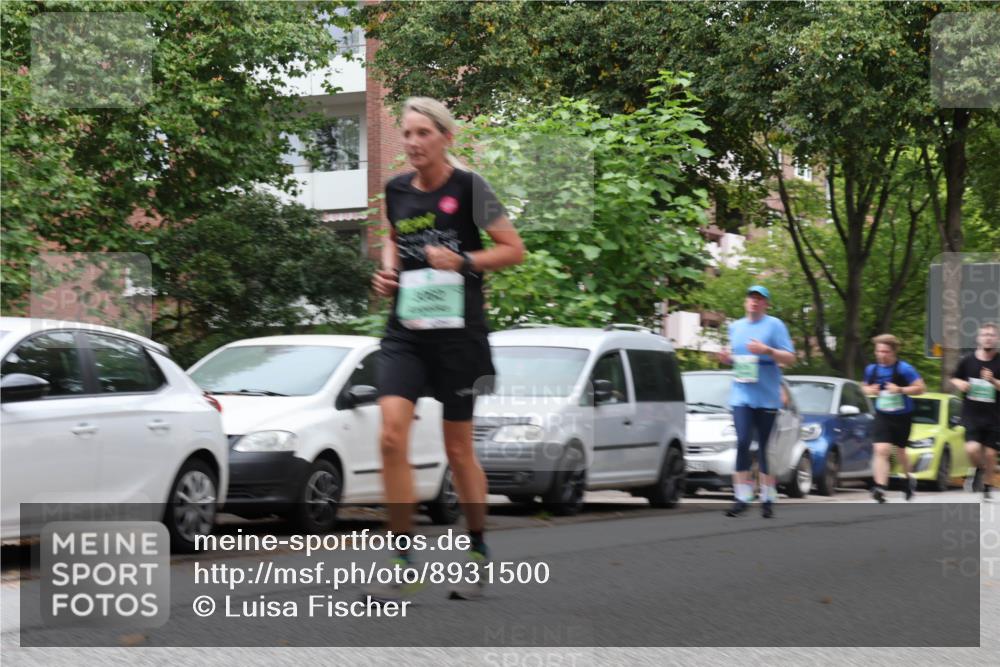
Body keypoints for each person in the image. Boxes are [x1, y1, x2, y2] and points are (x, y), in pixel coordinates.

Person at [370, 97, 525, 601]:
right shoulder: (395, 188)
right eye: (407, 134)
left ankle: (477, 548)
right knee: (392, 437)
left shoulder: (472, 188)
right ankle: (402, 553)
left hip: (459, 335)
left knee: (458, 451)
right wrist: (389, 271)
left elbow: (512, 249)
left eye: (422, 134)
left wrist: (461, 261)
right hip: (406, 331)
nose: (413, 143)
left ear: (445, 138)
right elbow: (393, 237)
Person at [717, 285, 797, 518]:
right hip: (741, 395)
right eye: (751, 298)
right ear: (745, 302)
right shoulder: (735, 327)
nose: (754, 302)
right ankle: (741, 497)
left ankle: (767, 498)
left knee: (764, 448)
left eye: (759, 299)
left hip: (767, 397)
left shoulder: (775, 325)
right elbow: (738, 359)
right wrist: (726, 359)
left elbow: (790, 358)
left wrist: (767, 350)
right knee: (742, 442)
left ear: (766, 304)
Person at [862, 334, 926, 503]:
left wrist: (900, 390)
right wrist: (870, 390)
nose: (882, 355)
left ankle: (908, 478)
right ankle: (880, 487)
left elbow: (921, 388)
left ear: (894, 352)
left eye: (886, 352)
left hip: (902, 416)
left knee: (900, 452)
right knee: (881, 450)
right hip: (883, 415)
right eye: (878, 351)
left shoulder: (904, 369)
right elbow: (864, 388)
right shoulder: (872, 370)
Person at [951, 323, 1000, 500]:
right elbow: (954, 378)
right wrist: (961, 384)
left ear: (997, 339)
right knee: (972, 449)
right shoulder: (967, 360)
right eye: (985, 334)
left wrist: (993, 381)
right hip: (971, 414)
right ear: (978, 338)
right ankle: (979, 470)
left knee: (990, 454)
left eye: (991, 335)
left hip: (994, 417)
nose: (988, 337)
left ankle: (987, 486)